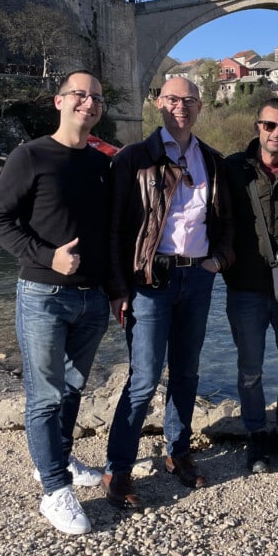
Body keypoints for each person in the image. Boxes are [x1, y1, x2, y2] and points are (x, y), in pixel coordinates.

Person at [0, 70, 112, 535]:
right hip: (43, 294)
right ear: (58, 102)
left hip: (93, 298)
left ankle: (54, 461)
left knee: (74, 388)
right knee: (44, 396)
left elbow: (108, 234)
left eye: (96, 97)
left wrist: (114, 292)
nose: (89, 102)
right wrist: (47, 257)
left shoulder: (101, 164)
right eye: (80, 94)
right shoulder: (30, 154)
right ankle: (55, 491)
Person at [102, 78, 234, 507]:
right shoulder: (134, 159)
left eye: (190, 101)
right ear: (158, 104)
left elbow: (228, 224)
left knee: (186, 373)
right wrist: (118, 288)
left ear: (199, 108)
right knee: (143, 378)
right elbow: (116, 229)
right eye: (174, 99)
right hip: (149, 282)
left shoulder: (212, 161)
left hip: (197, 279)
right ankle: (118, 468)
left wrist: (220, 262)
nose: (182, 107)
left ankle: (178, 453)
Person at [224, 97, 278, 474]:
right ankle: (257, 433)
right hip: (245, 286)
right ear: (257, 126)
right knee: (250, 369)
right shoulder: (232, 169)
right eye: (269, 125)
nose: (276, 133)